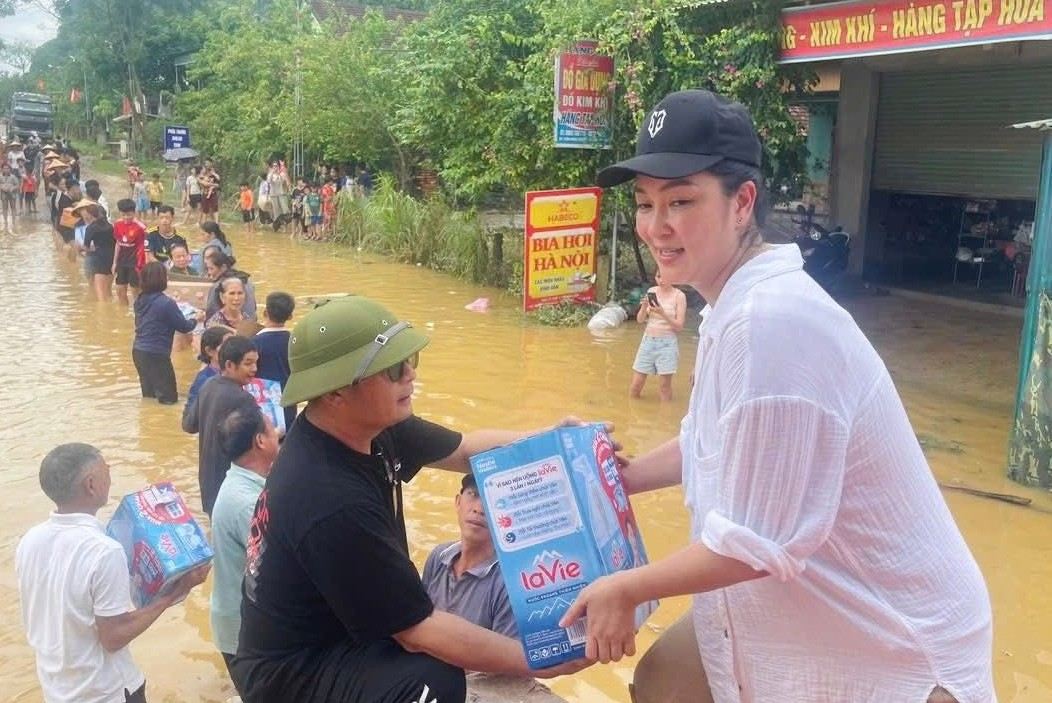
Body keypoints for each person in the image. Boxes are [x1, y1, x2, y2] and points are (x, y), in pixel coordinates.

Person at [558, 89, 995, 703]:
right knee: (663, 682)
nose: (658, 225)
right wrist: (616, 478)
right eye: (645, 203)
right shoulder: (729, 307)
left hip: (887, 640)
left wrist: (626, 586)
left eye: (681, 200)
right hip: (799, 602)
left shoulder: (772, 322)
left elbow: (754, 543)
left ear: (742, 203)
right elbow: (707, 440)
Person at [232, 296, 590, 703]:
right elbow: (418, 630)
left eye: (410, 360)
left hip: (337, 632)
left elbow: (467, 449)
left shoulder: (368, 426)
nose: (409, 375)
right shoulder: (329, 497)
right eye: (390, 369)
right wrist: (538, 657)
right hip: (294, 673)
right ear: (334, 393)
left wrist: (557, 445)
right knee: (434, 680)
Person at [16, 443, 209, 703]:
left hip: (57, 689)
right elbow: (114, 636)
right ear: (91, 485)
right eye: (106, 469)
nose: (111, 474)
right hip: (104, 692)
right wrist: (174, 591)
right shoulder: (104, 551)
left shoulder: (30, 540)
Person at [423, 474, 567, 703]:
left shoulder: (512, 580)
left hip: (485, 683)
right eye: (473, 495)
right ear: (458, 502)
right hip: (430, 670)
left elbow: (504, 668)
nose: (479, 509)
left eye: (492, 502)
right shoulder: (438, 557)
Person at [210, 404, 280, 687]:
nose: (278, 432)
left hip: (240, 621)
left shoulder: (246, 483)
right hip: (245, 632)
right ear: (260, 441)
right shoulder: (246, 503)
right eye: (272, 427)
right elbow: (277, 567)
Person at [182, 335, 258, 515]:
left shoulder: (208, 384)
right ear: (230, 365)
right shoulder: (244, 399)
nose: (254, 369)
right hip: (232, 486)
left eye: (256, 362)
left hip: (208, 482)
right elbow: (257, 445)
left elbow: (188, 425)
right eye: (248, 363)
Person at [132, 262, 202, 405]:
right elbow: (183, 327)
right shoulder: (166, 303)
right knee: (169, 400)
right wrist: (196, 318)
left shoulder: (140, 299)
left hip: (138, 351)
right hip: (156, 354)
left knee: (149, 396)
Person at [630, 270, 687, 401]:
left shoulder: (679, 296)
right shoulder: (652, 291)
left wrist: (663, 313)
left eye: (664, 277)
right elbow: (640, 320)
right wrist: (644, 307)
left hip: (667, 344)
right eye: (658, 276)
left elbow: (679, 326)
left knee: (664, 387)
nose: (661, 280)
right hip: (648, 341)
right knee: (636, 385)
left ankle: (665, 418)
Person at [254, 291, 296, 429]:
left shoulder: (254, 342)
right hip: (288, 400)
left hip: (262, 404)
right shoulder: (294, 342)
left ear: (265, 312)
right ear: (290, 316)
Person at [203, 248, 257, 322]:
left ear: (223, 267)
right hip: (252, 325)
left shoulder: (219, 285)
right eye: (208, 269)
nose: (209, 272)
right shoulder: (248, 281)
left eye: (211, 269)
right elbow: (254, 308)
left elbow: (210, 312)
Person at [186, 325, 234, 408]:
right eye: (227, 346)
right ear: (209, 351)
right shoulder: (204, 381)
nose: (234, 349)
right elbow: (193, 414)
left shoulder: (233, 375)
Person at [77, 202, 115, 301]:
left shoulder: (91, 228)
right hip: (111, 257)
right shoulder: (110, 226)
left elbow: (86, 246)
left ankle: (101, 314)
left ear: (90, 214)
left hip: (99, 259)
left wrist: (80, 248)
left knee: (100, 295)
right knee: (109, 291)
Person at [112, 199, 146, 305]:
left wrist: (143, 266)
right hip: (122, 261)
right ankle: (123, 316)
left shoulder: (141, 228)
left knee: (136, 291)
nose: (126, 217)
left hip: (135, 263)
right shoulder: (117, 224)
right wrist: (114, 262)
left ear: (134, 213)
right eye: (123, 215)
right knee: (120, 290)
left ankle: (138, 314)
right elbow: (118, 243)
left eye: (129, 215)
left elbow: (144, 248)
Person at [0, 162, 20, 230]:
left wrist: (12, 188)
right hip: (3, 194)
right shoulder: (0, 176)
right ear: (2, 169)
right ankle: (5, 221)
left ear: (10, 169)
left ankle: (14, 221)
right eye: (4, 168)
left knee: (13, 207)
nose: (6, 170)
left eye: (7, 168)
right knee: (4, 208)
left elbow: (17, 185)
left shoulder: (13, 176)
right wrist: (2, 187)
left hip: (12, 194)